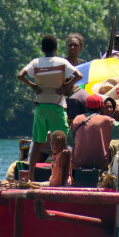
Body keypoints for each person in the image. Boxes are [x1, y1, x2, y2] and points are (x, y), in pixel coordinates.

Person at [17, 35, 82, 181]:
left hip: (40, 106)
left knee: (37, 142)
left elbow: (20, 75)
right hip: (56, 105)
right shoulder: (61, 62)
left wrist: (33, 86)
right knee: (63, 143)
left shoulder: (36, 62)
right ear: (55, 48)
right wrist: (66, 86)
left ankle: (30, 176)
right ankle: (66, 176)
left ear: (42, 49)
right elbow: (79, 75)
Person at [68, 94, 116, 170]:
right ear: (101, 108)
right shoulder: (107, 120)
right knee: (115, 144)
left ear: (86, 107)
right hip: (99, 165)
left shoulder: (77, 119)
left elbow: (69, 142)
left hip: (77, 165)